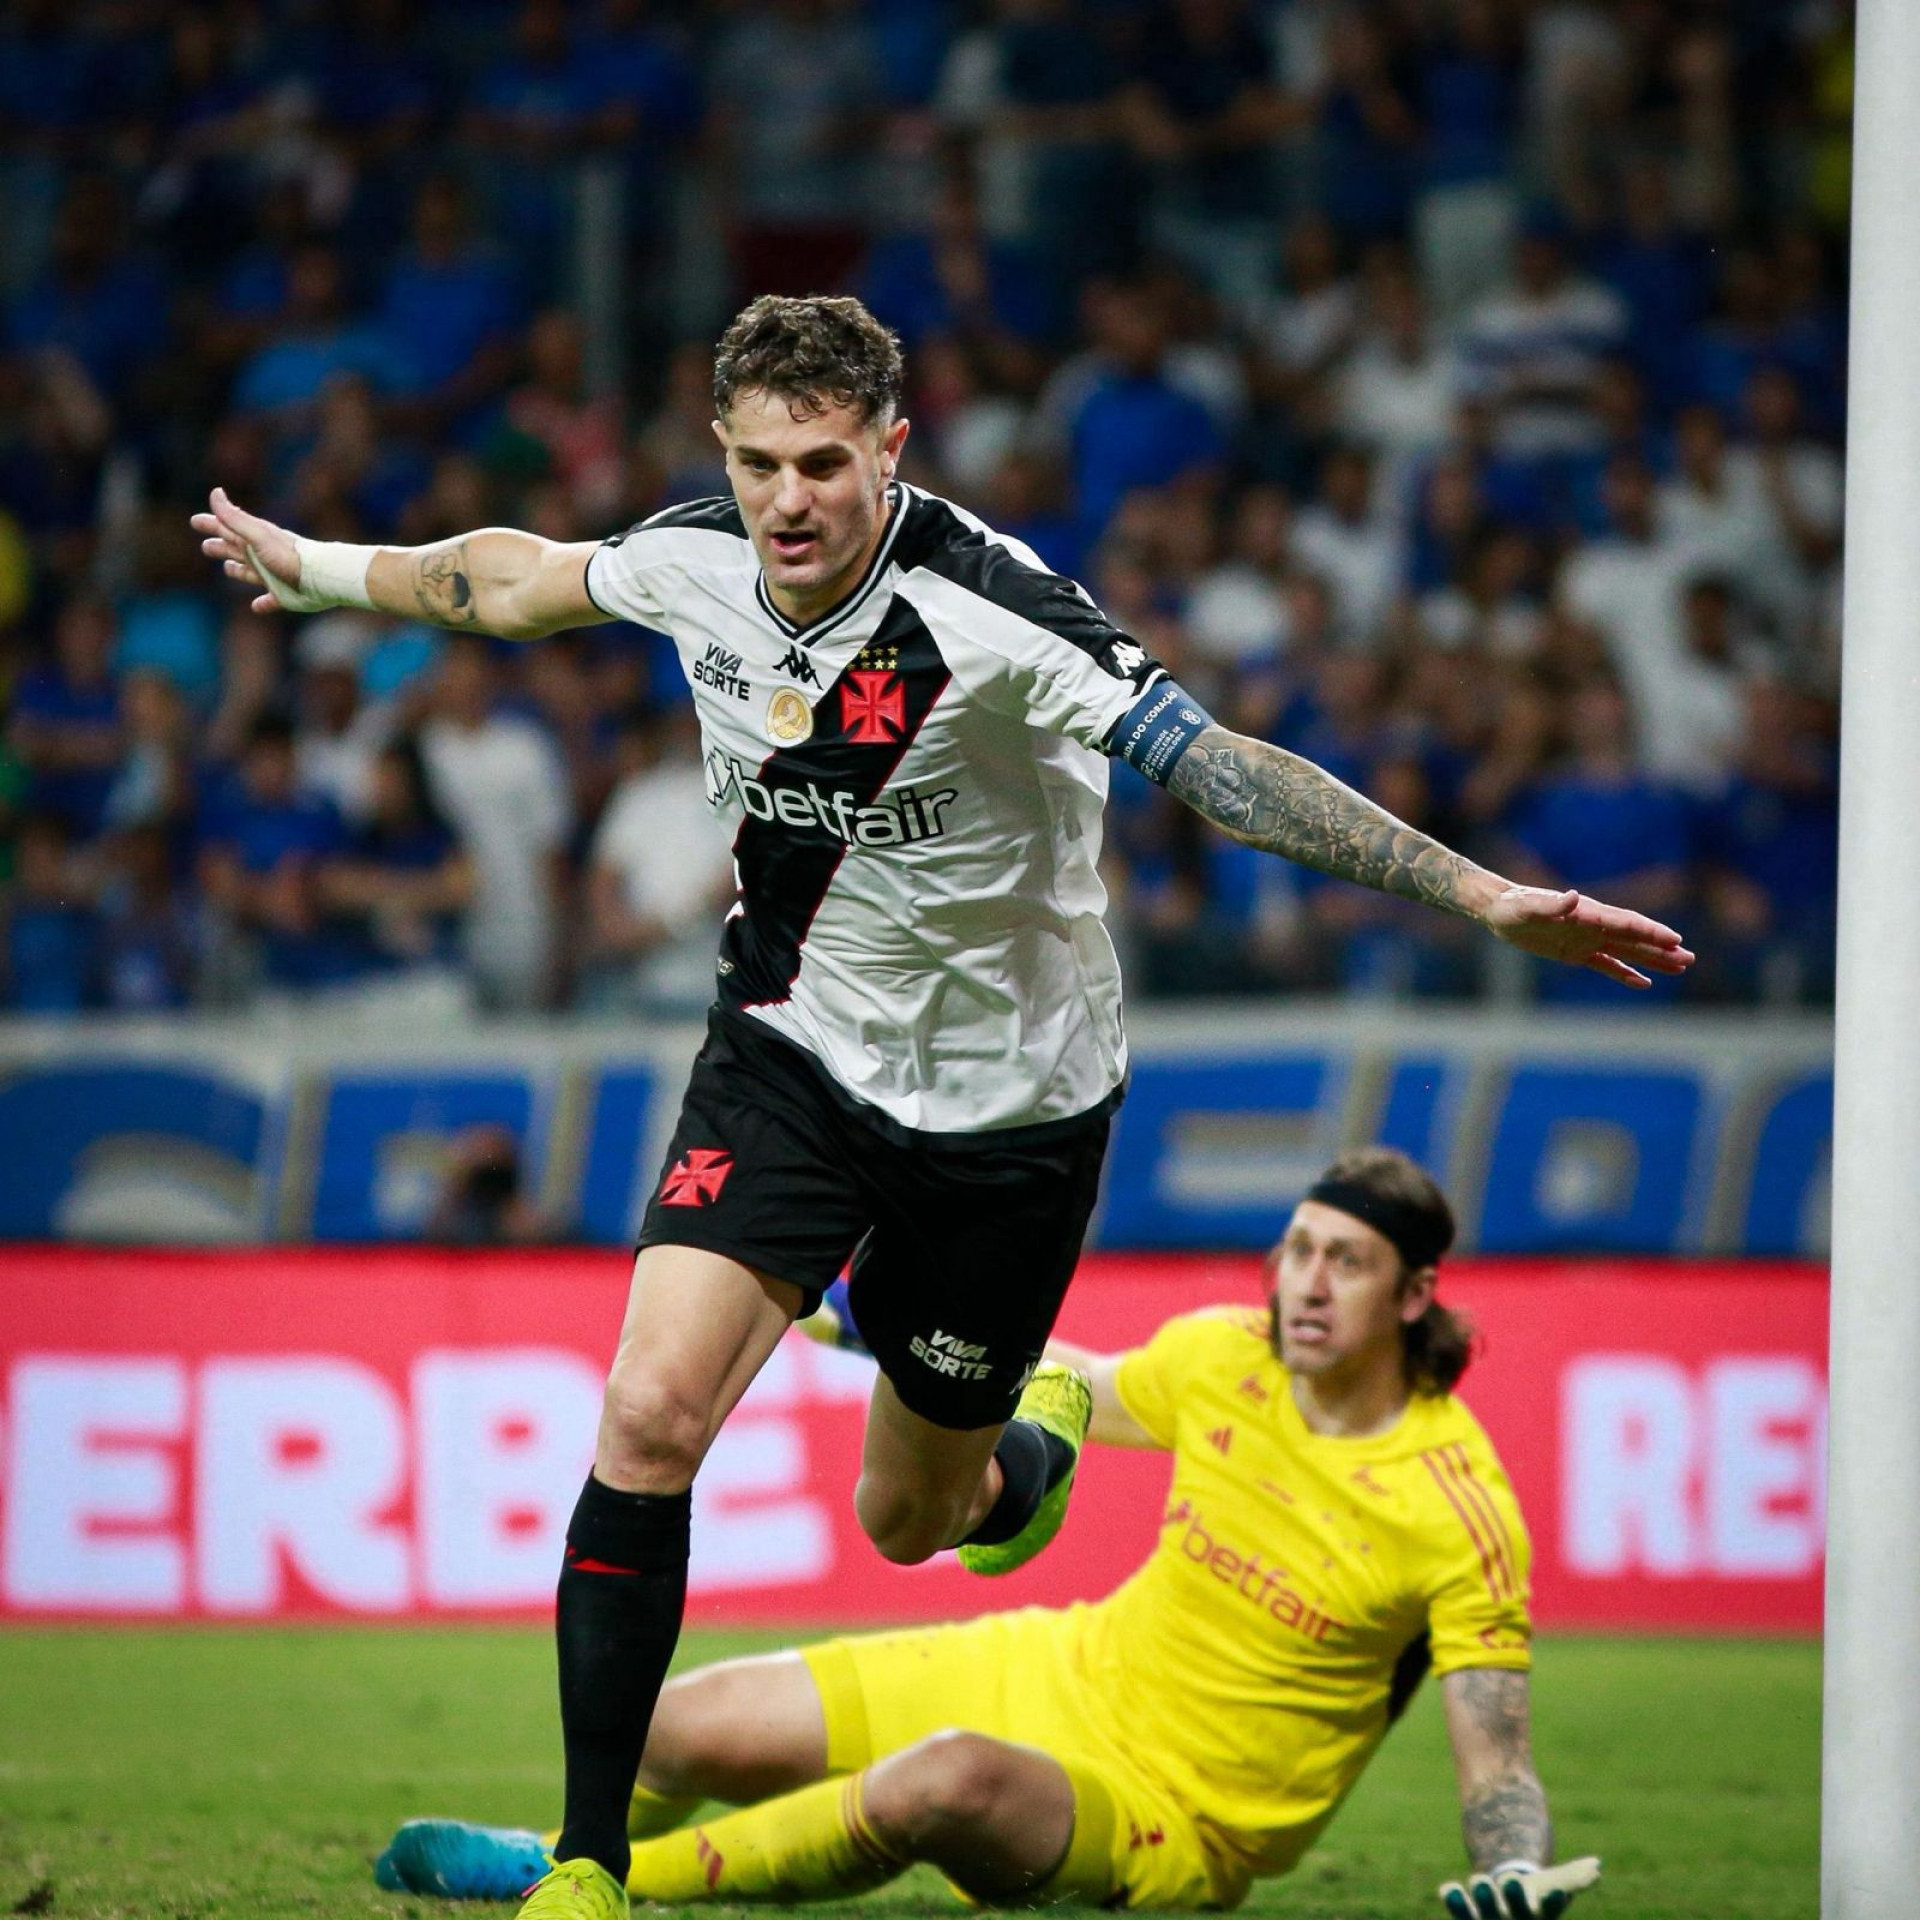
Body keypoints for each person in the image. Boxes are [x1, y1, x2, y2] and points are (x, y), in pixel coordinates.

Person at [194, 293, 1684, 1920]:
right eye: (760, 462)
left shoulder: (1000, 613)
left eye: (825, 462)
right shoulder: (693, 554)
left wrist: (1479, 894)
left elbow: (1228, 773)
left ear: (890, 452)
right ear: (724, 454)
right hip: (790, 1051)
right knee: (646, 1419)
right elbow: (509, 578)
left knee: (909, 1521)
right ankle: (586, 1868)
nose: (789, 501)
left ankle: (1020, 1454)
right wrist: (318, 567)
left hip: (1009, 1118)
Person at [375, 1149, 1602, 1920]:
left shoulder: (1458, 1507)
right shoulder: (1229, 1356)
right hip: (1063, 1666)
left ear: (1416, 1293)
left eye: (1346, 1262)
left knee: (945, 1782)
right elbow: (1074, 1381)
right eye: (1297, 1252)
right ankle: (576, 1847)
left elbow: (1497, 1759)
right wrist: (885, 1327)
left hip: (1180, 1813)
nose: (1306, 1285)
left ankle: (567, 1877)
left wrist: (1514, 1870)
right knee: (675, 1723)